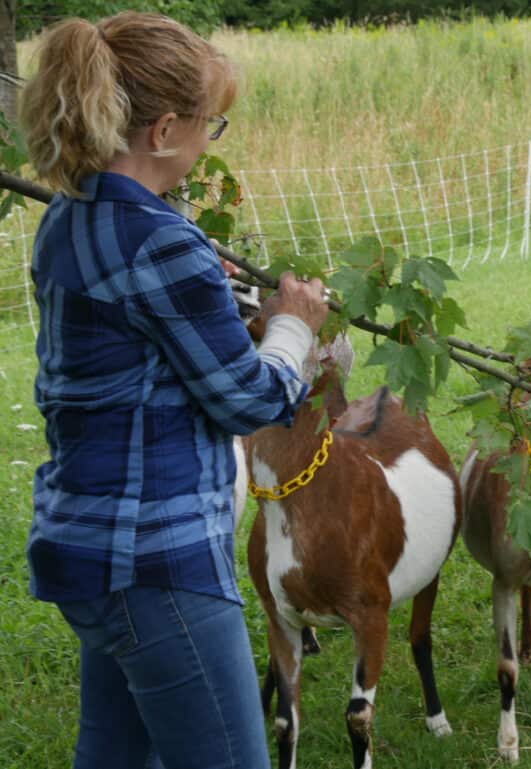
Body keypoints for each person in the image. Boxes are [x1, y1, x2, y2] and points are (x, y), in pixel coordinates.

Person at [19, 12, 328, 769]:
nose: (207, 140)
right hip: (158, 561)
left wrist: (201, 299)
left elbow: (128, 335)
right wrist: (294, 327)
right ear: (162, 132)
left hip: (84, 548)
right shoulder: (164, 243)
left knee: (117, 757)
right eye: (209, 126)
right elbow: (250, 401)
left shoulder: (69, 214)